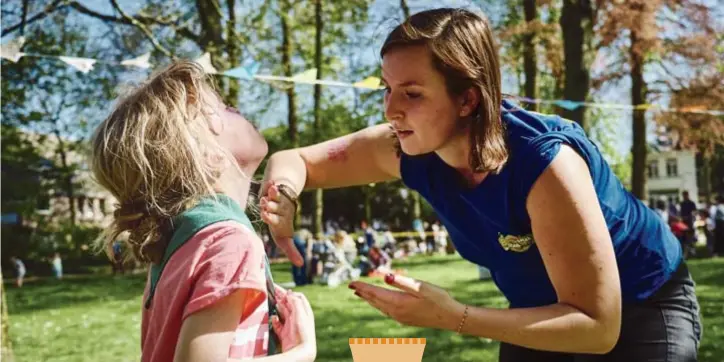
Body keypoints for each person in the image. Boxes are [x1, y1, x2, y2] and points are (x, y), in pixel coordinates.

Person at [259, 8, 700, 362]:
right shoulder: (402, 147)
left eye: (412, 93)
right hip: (540, 311)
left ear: (468, 98)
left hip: (643, 303)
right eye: (386, 88)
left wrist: (456, 317)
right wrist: (285, 195)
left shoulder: (545, 166)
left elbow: (598, 328)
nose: (391, 109)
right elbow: (294, 160)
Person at [89, 61, 316, 362]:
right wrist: (302, 351)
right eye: (221, 108)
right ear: (208, 154)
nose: (234, 106)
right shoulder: (229, 242)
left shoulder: (181, 242)